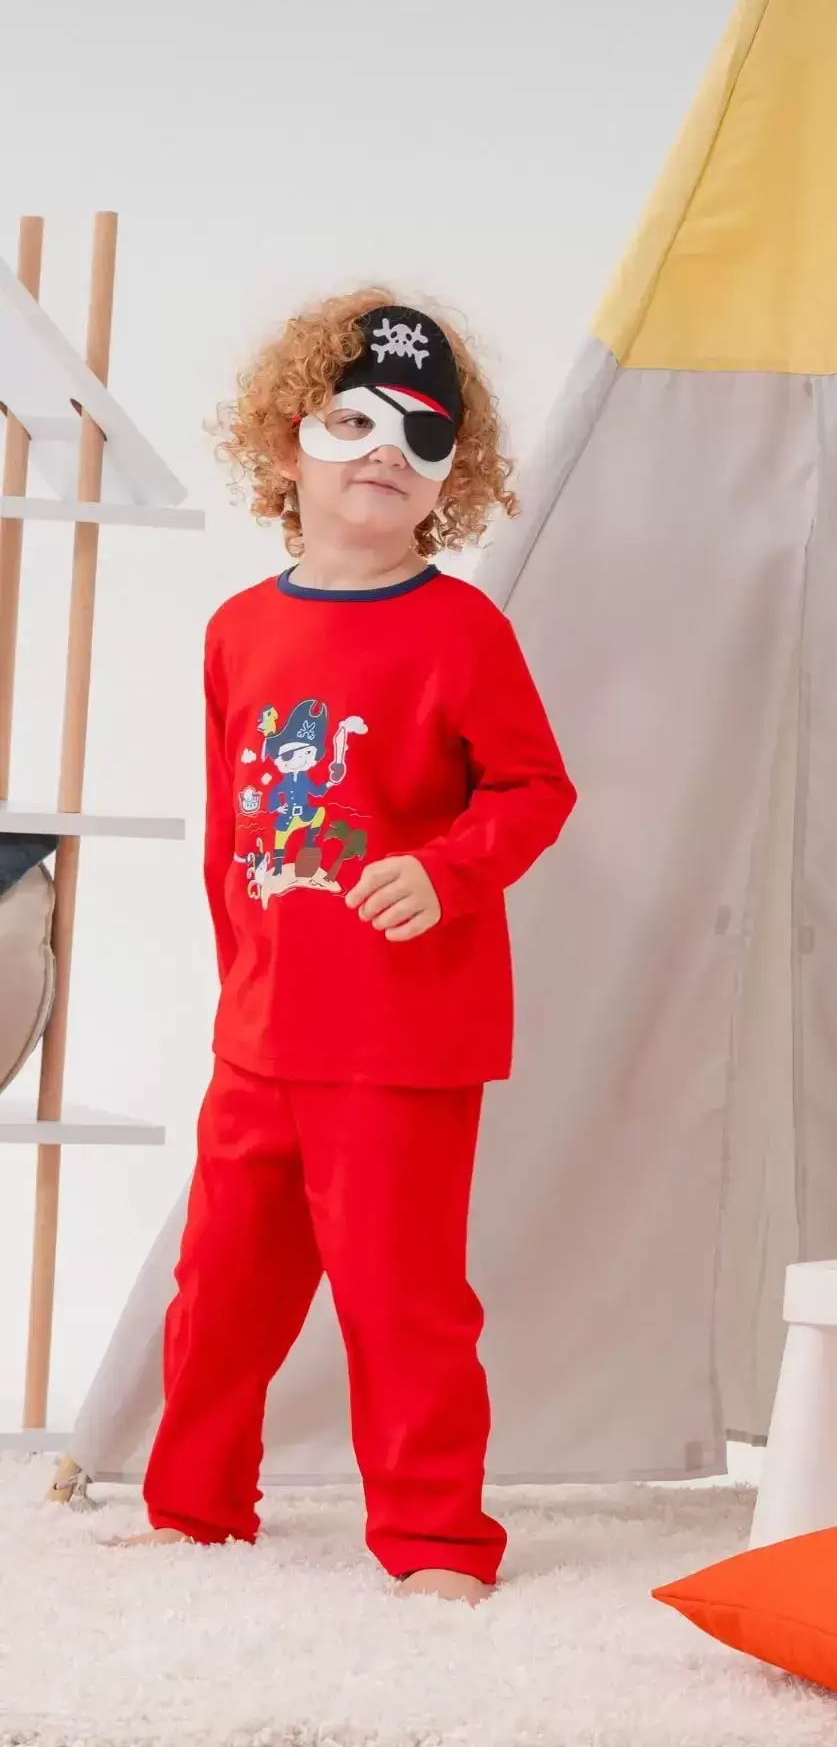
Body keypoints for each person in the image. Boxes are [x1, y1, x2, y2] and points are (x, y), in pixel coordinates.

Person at [111, 291, 576, 1605]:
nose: (387, 451)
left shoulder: (462, 631)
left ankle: (436, 1542)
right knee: (219, 1289)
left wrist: (445, 871)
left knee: (400, 1301)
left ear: (452, 478)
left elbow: (534, 789)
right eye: (354, 420)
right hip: (263, 1038)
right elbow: (229, 839)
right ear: (288, 441)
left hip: (404, 1042)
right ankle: (193, 1509)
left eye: (425, 435)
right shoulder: (237, 631)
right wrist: (238, 998)